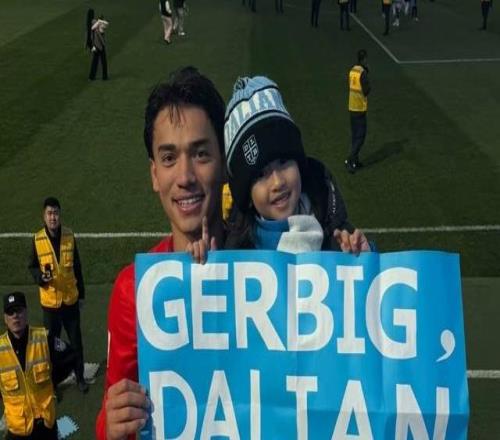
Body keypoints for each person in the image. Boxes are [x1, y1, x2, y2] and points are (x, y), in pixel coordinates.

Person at [95, 66, 226, 440]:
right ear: (154, 174)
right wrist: (111, 424)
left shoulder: (271, 261)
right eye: (169, 158)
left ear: (224, 161)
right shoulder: (133, 290)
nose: (185, 176)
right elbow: (110, 422)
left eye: (200, 154)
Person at [223, 76, 370, 253]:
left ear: (299, 163)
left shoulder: (337, 231)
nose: (278, 182)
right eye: (261, 174)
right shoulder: (236, 251)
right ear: (246, 193)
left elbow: (373, 268)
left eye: (283, 162)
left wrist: (363, 256)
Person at [28, 197, 88, 393]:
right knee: (50, 346)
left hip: (70, 300)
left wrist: (81, 295)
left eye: (55, 213)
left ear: (60, 215)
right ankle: (53, 382)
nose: (53, 217)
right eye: (49, 213)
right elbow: (32, 267)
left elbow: (77, 266)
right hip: (50, 304)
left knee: (76, 342)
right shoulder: (37, 239)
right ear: (44, 216)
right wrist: (41, 278)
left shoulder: (69, 236)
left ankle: (80, 378)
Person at [0, 292, 78, 439]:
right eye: (10, 312)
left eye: (19, 311)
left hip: (45, 425)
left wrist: (52, 381)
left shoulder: (44, 338)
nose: (15, 316)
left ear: (26, 312)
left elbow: (70, 356)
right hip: (18, 429)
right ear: (5, 318)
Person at [345, 49, 370, 174]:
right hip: (359, 108)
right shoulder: (362, 73)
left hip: (351, 106)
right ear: (364, 59)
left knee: (355, 136)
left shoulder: (352, 70)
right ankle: (349, 160)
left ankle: (355, 161)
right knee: (360, 136)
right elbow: (366, 90)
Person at [87, 9, 109, 80]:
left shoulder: (89, 23)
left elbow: (90, 35)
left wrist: (91, 46)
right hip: (99, 45)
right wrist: (100, 21)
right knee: (103, 61)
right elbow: (104, 26)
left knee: (95, 62)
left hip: (95, 45)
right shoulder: (94, 22)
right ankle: (105, 76)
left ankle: (91, 77)